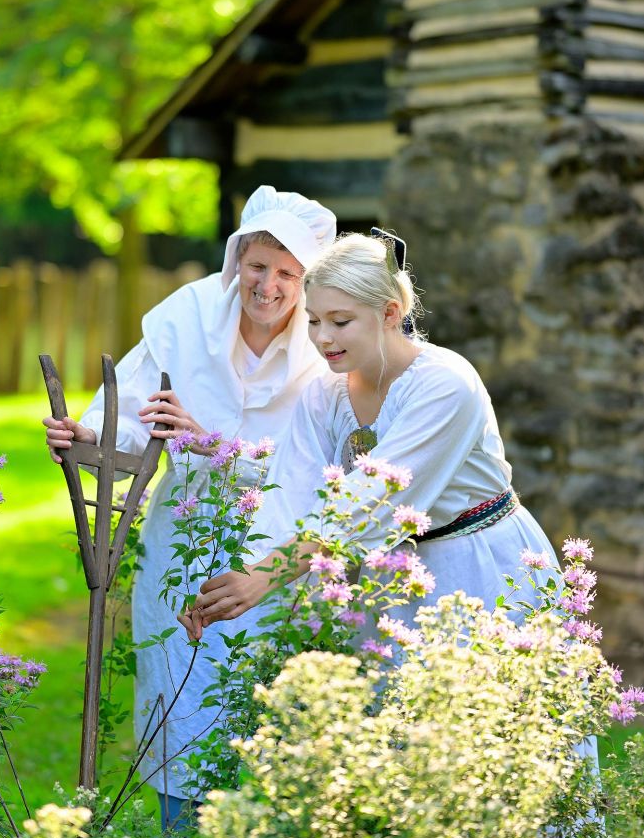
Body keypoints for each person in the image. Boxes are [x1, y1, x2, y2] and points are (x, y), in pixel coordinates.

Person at [43, 186, 336, 829]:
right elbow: (130, 413)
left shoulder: (326, 349)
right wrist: (89, 438)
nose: (269, 286)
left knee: (265, 714)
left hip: (275, 558)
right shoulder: (190, 315)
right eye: (259, 266)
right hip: (181, 544)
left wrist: (205, 440)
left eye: (288, 273)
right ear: (238, 260)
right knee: (181, 707)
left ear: (306, 282)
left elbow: (305, 477)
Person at [186, 230, 564, 639]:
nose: (322, 337)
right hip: (385, 581)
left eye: (340, 321)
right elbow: (292, 492)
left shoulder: (446, 385)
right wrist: (237, 583)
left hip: (478, 570)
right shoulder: (325, 394)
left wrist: (266, 575)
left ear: (389, 313)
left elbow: (373, 498)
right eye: (313, 321)